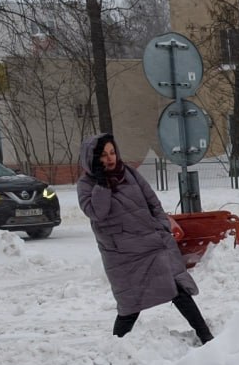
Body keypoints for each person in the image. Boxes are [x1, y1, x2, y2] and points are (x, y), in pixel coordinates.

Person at [78, 134, 213, 344]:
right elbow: (98, 213)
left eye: (112, 152)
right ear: (93, 158)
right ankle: (118, 346)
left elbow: (153, 203)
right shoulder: (86, 185)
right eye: (103, 155)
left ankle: (206, 337)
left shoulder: (129, 173)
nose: (110, 158)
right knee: (130, 306)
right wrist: (102, 184)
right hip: (124, 256)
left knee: (177, 289)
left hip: (151, 245)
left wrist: (161, 226)